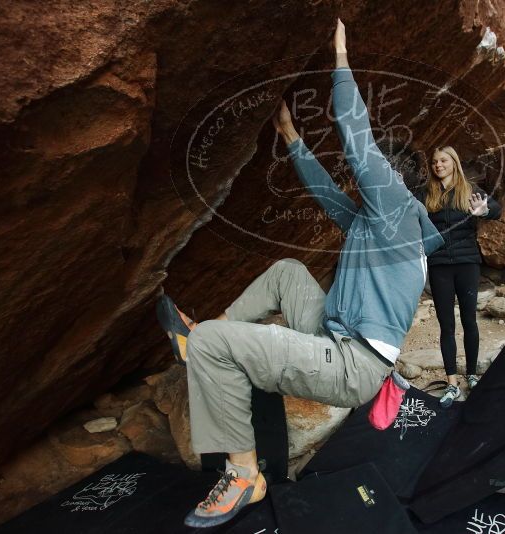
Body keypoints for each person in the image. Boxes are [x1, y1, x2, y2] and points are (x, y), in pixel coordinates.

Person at [157, 19, 445, 528]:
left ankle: (244, 473)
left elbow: (357, 139)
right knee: (289, 270)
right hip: (340, 340)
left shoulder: (397, 207)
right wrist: (291, 135)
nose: (367, 180)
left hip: (352, 365)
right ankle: (197, 337)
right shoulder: (378, 226)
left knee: (218, 347)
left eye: (382, 173)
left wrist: (340, 55)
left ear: (399, 182)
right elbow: (326, 194)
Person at [414, 147, 501, 408]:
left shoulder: (469, 190)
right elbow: (407, 213)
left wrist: (484, 211)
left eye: (443, 160)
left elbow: (497, 210)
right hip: (439, 265)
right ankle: (452, 383)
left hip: (467, 263)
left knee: (469, 320)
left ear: (454, 162)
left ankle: (472, 374)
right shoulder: (425, 193)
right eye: (434, 161)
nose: (438, 165)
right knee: (446, 325)